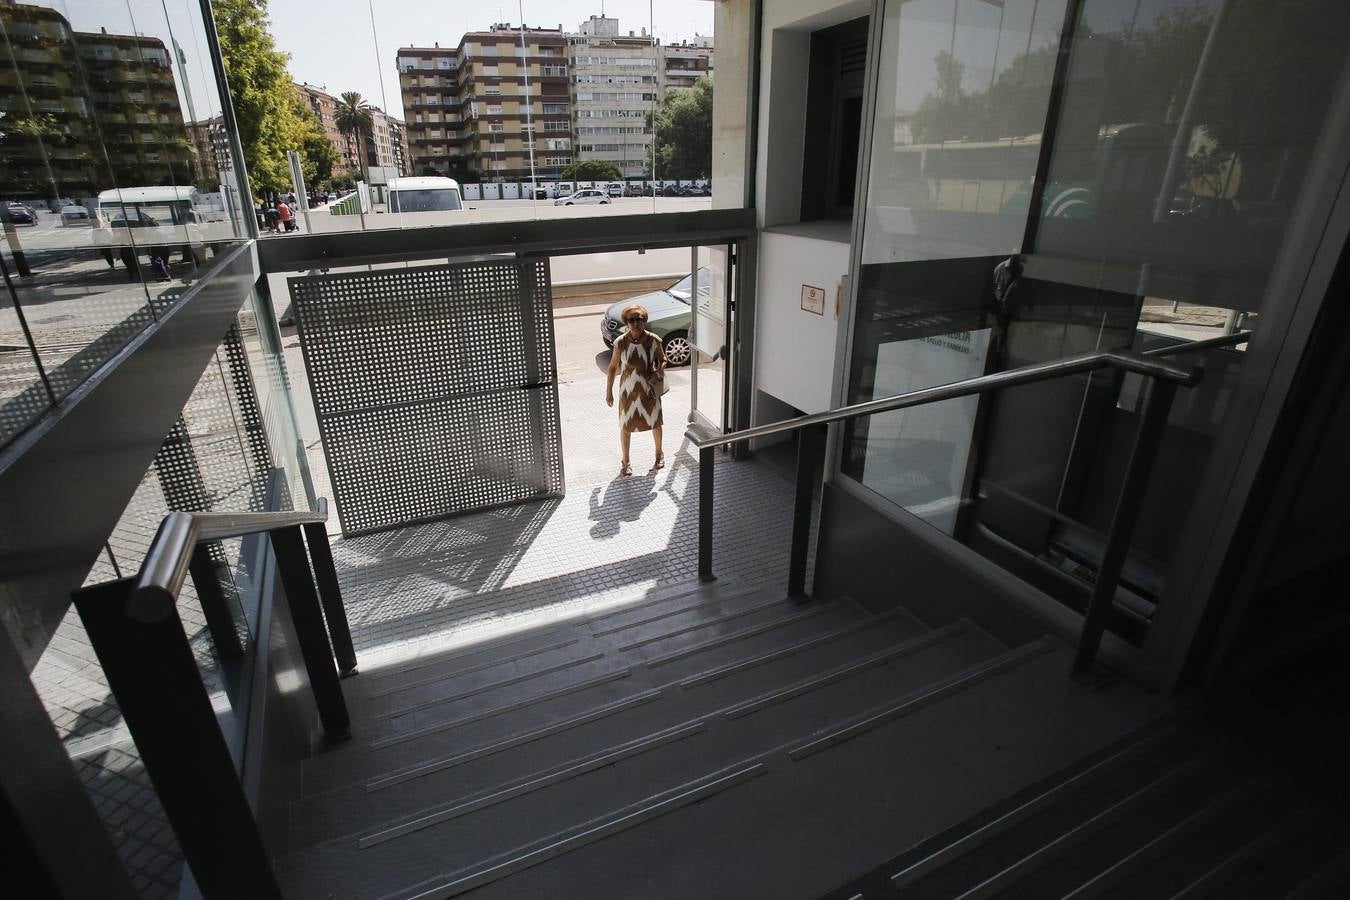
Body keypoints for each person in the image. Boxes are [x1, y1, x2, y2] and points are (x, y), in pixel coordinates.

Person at [606, 303, 667, 476]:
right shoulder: (621, 342)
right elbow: (612, 367)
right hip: (628, 391)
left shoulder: (653, 339)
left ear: (644, 321)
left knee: (655, 422)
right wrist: (608, 391)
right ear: (626, 322)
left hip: (649, 389)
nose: (636, 323)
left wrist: (657, 373)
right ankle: (625, 462)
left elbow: (663, 359)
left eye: (639, 319)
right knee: (625, 426)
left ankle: (659, 454)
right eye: (632, 320)